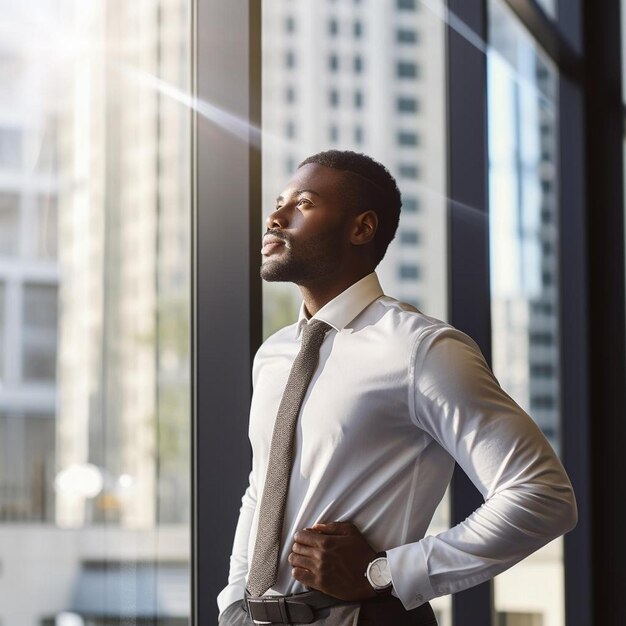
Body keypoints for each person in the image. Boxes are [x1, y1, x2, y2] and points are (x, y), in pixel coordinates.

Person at [217, 150, 577, 625]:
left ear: (361, 228)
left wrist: (386, 572)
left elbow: (541, 495)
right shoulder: (274, 354)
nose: (275, 216)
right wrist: (234, 601)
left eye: (302, 203)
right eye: (279, 201)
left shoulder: (421, 349)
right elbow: (261, 486)